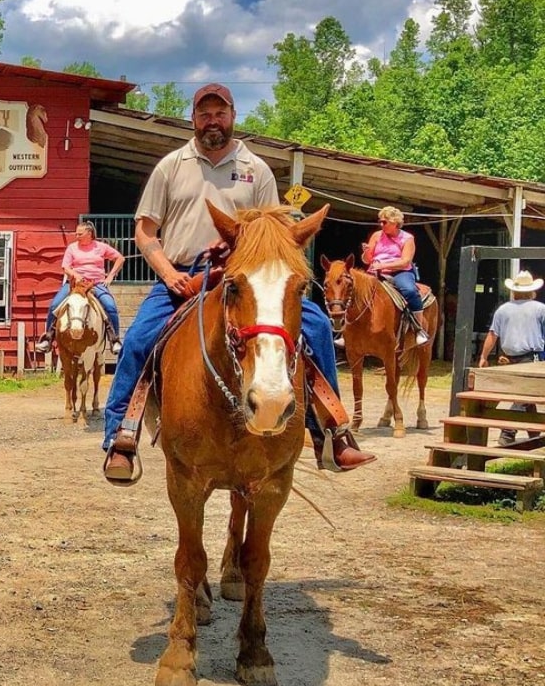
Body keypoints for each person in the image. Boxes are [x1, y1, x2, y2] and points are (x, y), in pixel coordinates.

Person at [101, 82, 375, 476]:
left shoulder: (256, 169)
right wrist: (169, 273)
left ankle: (331, 433)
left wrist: (243, 253)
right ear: (193, 119)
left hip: (246, 277)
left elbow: (273, 230)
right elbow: (145, 232)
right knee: (139, 339)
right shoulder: (171, 166)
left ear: (232, 116)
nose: (213, 121)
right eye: (205, 114)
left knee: (313, 326)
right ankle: (120, 437)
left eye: (220, 113)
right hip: (184, 276)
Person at [34, 222, 126, 354]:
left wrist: (111, 275)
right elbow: (65, 267)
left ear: (89, 234)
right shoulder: (72, 248)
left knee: (110, 306)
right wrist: (76, 275)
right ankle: (47, 339)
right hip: (75, 284)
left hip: (96, 283)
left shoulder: (101, 247)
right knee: (54, 305)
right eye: (76, 234)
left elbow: (120, 258)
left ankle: (114, 340)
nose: (77, 236)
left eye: (80, 234)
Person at [477, 269, 545, 446]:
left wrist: (484, 356)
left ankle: (534, 435)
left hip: (509, 358)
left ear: (514, 290)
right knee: (524, 397)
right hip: (532, 358)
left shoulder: (503, 309)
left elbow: (493, 335)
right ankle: (508, 432)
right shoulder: (540, 309)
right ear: (532, 291)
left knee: (524, 397)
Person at [359, 205, 430, 346]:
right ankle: (345, 330)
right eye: (379, 221)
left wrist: (383, 266)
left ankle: (418, 329)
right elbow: (366, 260)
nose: (381, 225)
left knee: (410, 291)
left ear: (395, 222)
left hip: (400, 271)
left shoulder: (408, 238)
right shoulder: (377, 235)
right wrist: (366, 252)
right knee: (355, 290)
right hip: (375, 271)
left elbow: (405, 261)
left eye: (384, 222)